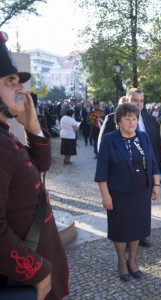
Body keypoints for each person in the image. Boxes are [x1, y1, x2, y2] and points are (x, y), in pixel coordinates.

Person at [0, 31, 69, 299]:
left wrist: (32, 127)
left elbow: (40, 164)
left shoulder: (5, 134)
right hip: (28, 280)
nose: (21, 89)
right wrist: (37, 271)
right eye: (10, 81)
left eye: (19, 81)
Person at [95, 103, 160, 282]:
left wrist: (156, 185)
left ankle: (132, 259)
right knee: (121, 229)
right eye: (127, 119)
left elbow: (153, 161)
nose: (132, 122)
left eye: (134, 119)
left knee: (137, 227)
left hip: (142, 191)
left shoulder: (143, 137)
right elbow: (101, 170)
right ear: (118, 121)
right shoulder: (109, 139)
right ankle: (121, 261)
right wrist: (105, 195)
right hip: (118, 193)